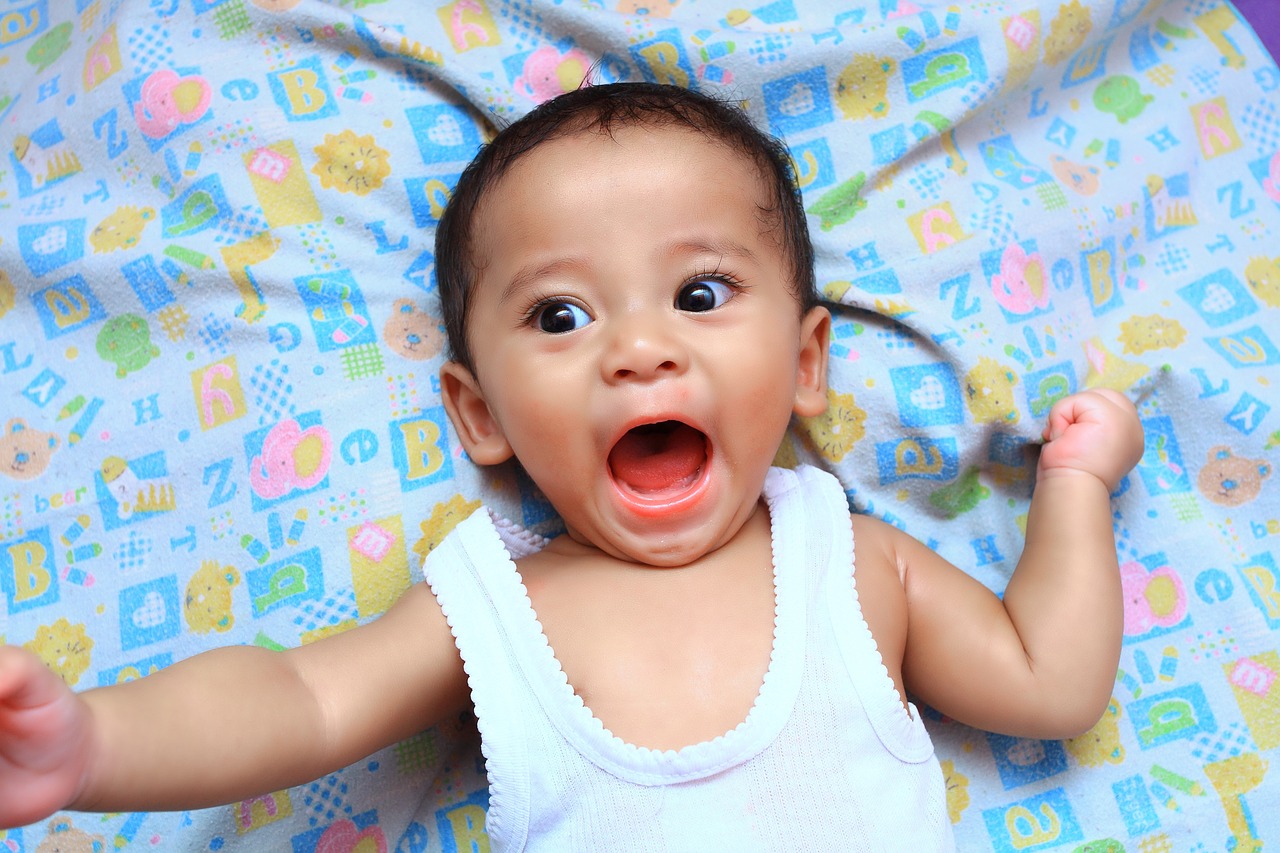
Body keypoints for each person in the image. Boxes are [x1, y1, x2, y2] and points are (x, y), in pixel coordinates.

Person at [0, 83, 1144, 849]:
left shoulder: (847, 559)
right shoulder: (494, 606)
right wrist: (96, 745)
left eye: (700, 294)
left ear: (804, 363)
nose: (638, 349)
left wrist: (1072, 489)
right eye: (557, 315)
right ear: (478, 411)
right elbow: (298, 699)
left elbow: (1047, 678)